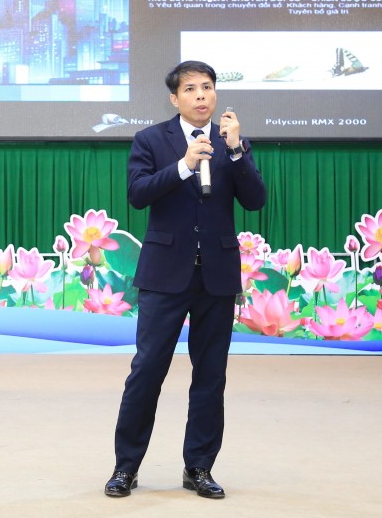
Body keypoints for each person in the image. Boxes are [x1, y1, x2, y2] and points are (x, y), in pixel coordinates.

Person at [104, 60, 267, 500]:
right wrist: (183, 164)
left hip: (217, 276)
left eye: (207, 87)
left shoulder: (232, 143)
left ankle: (199, 467)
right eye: (191, 89)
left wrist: (237, 152)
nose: (201, 95)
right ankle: (125, 467)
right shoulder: (151, 140)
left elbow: (255, 200)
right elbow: (138, 194)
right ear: (174, 98)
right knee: (146, 371)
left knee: (211, 376)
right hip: (164, 274)